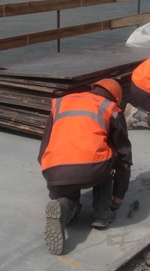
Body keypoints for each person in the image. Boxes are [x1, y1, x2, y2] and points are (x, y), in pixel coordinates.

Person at [38, 78, 132, 255]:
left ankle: (63, 206)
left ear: (94, 88)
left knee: (68, 193)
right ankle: (102, 213)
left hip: (53, 169)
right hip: (92, 168)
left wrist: (51, 174)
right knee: (111, 153)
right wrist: (119, 196)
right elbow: (124, 158)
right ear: (116, 99)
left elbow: (44, 145)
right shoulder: (110, 108)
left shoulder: (61, 103)